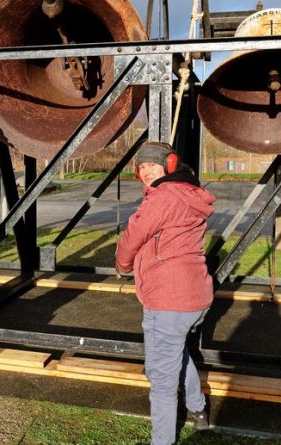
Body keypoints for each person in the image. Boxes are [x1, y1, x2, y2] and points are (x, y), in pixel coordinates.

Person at [115, 140, 216, 445]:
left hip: (168, 301)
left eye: (152, 165)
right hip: (195, 299)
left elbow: (134, 234)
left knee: (161, 380)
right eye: (141, 166)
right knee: (176, 353)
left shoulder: (162, 197)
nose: (146, 171)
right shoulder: (189, 193)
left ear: (169, 165)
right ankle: (198, 410)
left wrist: (122, 265)